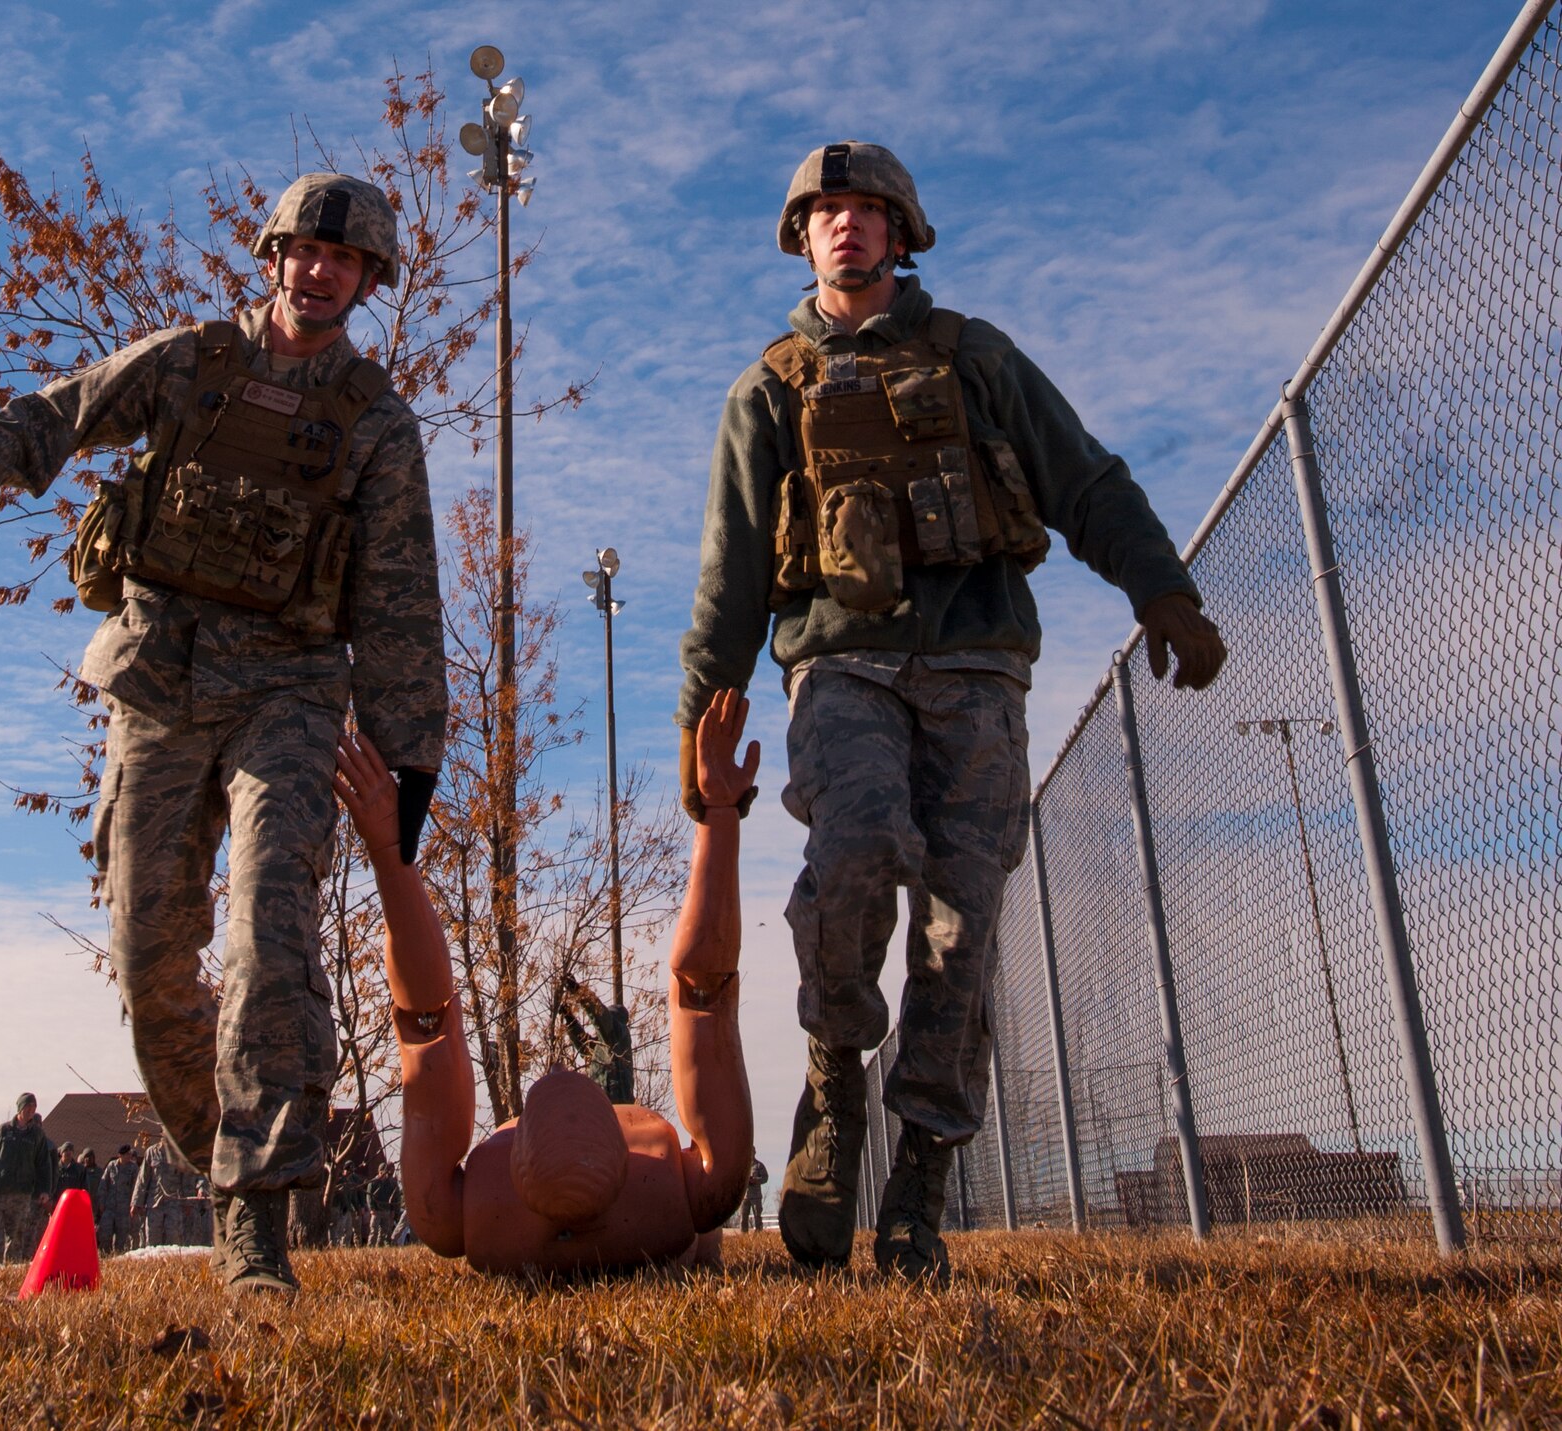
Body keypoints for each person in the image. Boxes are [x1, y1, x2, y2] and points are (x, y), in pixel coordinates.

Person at [0, 172, 449, 1294]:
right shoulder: (191, 362)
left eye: (349, 260)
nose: (323, 270)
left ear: (369, 280)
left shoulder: (375, 421)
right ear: (275, 254)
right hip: (156, 684)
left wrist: (408, 755)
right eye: (307, 250)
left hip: (286, 694)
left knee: (270, 937)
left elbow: (399, 598)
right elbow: (61, 412)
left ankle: (256, 1219)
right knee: (149, 957)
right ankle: (219, 1151)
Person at [674, 142, 1227, 1281]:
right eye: (823, 210)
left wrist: (1160, 590)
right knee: (855, 853)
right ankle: (834, 1087)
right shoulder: (768, 388)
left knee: (960, 929)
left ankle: (920, 1180)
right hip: (838, 662)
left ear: (902, 230)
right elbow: (729, 571)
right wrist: (701, 718)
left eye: (866, 209)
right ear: (799, 236)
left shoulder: (975, 358)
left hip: (977, 665)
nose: (844, 225)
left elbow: (1082, 478)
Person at [331, 693, 759, 1281]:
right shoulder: (686, 1195)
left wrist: (389, 855)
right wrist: (720, 814)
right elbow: (703, 993)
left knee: (427, 1026)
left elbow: (425, 1028)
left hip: (567, 1209)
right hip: (658, 1220)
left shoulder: (468, 1215)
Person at [0, 1094, 57, 1263]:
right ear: (20, 1108)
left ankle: (10, 1267)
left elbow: (44, 1166)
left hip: (22, 1193)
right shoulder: (3, 1132)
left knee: (16, 1234)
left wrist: (45, 1190)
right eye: (27, 1108)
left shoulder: (36, 1135)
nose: (30, 1111)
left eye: (33, 1109)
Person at [556, 973, 635, 1105]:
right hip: (603, 1104)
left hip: (616, 1102)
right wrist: (570, 1019)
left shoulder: (618, 1033)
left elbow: (598, 1012)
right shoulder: (604, 1047)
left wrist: (578, 991)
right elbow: (585, 1046)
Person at [130, 1134, 203, 1249]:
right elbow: (142, 1179)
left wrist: (187, 1203)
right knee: (152, 1239)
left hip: (174, 1202)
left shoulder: (178, 1154)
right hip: (154, 1203)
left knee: (174, 1239)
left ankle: (172, 1265)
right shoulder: (151, 1152)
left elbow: (185, 1179)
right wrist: (136, 1202)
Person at [97, 1145, 140, 1255]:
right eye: (126, 1154)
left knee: (121, 1237)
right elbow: (103, 1184)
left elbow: (137, 1187)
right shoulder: (112, 1166)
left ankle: (118, 1258)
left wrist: (134, 1204)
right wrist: (102, 1202)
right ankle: (105, 1257)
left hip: (124, 1209)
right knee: (105, 1234)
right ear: (120, 1155)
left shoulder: (133, 1169)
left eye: (130, 1154)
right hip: (109, 1207)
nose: (129, 1156)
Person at [740, 1158, 769, 1233]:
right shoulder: (742, 1165)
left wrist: (755, 1180)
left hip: (756, 1196)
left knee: (757, 1216)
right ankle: (744, 1236)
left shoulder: (759, 1165)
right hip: (744, 1196)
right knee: (743, 1217)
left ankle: (758, 1234)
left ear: (754, 1152)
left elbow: (765, 1178)